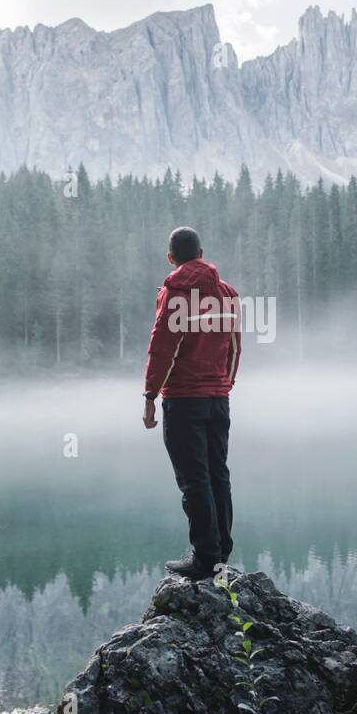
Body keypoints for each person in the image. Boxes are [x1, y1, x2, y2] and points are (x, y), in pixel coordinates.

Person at [142, 226, 241, 581]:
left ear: (171, 258)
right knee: (218, 475)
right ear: (201, 253)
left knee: (194, 479)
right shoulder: (227, 293)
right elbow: (233, 346)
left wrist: (151, 396)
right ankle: (219, 555)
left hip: (184, 400)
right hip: (219, 399)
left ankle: (204, 557)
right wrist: (225, 386)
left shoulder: (175, 293)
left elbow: (162, 347)